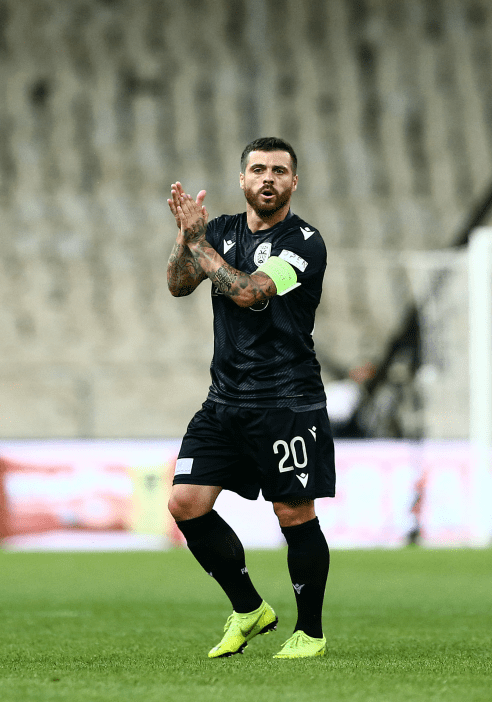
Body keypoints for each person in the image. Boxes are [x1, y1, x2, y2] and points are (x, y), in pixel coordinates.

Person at [165, 136, 333, 659]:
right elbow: (178, 285)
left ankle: (310, 632)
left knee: (293, 513)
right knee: (185, 503)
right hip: (224, 400)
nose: (268, 178)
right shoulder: (219, 231)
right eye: (258, 169)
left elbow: (250, 293)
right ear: (242, 179)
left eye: (279, 171)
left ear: (293, 182)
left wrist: (201, 246)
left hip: (286, 400)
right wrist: (187, 237)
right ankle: (249, 608)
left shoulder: (303, 242)